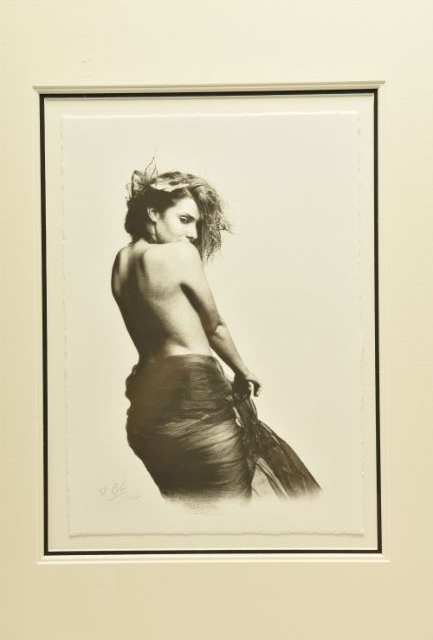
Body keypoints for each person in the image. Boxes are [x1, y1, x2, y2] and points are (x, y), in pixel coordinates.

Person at [111, 162, 320, 504]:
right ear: (153, 213)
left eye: (196, 223)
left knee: (193, 508)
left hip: (147, 414)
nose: (193, 233)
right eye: (184, 219)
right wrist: (243, 370)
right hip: (194, 400)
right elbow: (214, 326)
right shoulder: (179, 254)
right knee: (231, 511)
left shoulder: (121, 263)